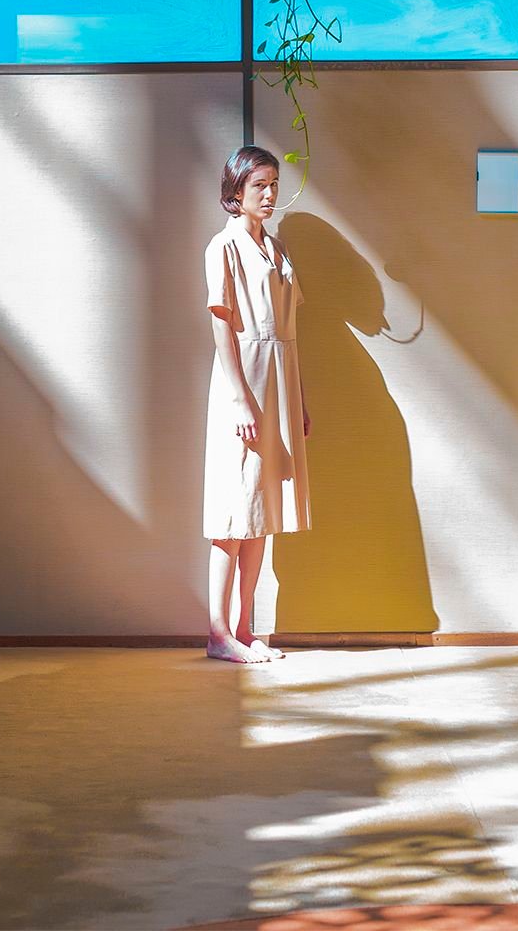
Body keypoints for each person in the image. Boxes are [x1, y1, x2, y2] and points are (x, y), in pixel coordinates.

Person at [202, 146, 312, 665]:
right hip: (244, 383)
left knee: (262, 510)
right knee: (233, 511)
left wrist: (300, 400)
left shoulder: (277, 248)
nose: (269, 195)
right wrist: (240, 397)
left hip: (279, 383)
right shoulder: (222, 247)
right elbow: (221, 323)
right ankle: (218, 632)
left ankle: (246, 627)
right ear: (236, 192)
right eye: (258, 186)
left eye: (273, 184)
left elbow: (289, 332)